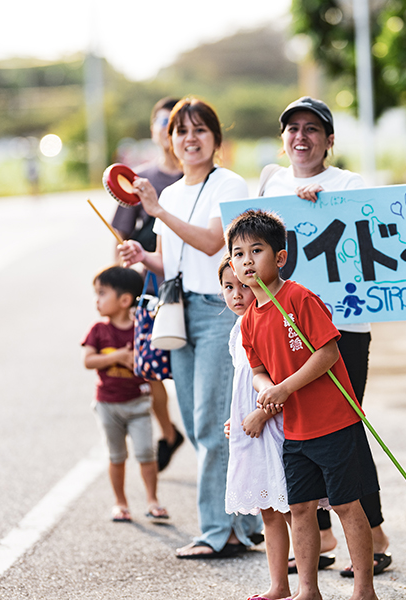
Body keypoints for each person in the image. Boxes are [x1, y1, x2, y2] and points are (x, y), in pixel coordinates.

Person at [119, 97, 262, 558]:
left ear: (216, 139)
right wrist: (143, 257)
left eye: (201, 130)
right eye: (181, 131)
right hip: (177, 310)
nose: (190, 138)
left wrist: (157, 212)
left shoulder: (230, 183)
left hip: (219, 310)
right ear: (170, 140)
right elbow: (170, 260)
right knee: (206, 421)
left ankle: (215, 530)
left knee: (210, 422)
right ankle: (241, 524)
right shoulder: (175, 193)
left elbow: (210, 244)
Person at [258, 96, 391, 577]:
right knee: (297, 430)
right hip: (284, 330)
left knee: (344, 430)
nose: (301, 137)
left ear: (329, 141)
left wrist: (327, 204)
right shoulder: (271, 182)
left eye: (312, 129)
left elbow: (368, 233)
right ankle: (324, 536)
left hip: (342, 330)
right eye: (292, 128)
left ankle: (373, 536)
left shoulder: (348, 184)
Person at [229, 209, 380, 600]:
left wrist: (283, 389)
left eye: (256, 251)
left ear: (279, 257)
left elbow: (327, 353)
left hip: (333, 422)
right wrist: (267, 388)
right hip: (293, 431)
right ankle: (307, 591)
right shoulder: (249, 321)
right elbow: (258, 368)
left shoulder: (299, 298)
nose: (246, 261)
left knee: (347, 505)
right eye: (238, 253)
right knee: (300, 509)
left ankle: (364, 590)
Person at [111, 97, 185, 473]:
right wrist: (121, 292)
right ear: (155, 130)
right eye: (163, 121)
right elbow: (119, 237)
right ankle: (169, 432)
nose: (170, 129)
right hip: (150, 291)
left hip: (195, 291)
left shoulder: (205, 176)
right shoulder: (139, 180)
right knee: (149, 368)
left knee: (189, 369)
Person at [220, 255, 293, 600]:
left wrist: (260, 415)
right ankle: (279, 585)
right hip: (250, 429)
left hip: (272, 425)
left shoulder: (265, 322)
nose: (236, 295)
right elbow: (243, 383)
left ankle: (306, 580)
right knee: (268, 508)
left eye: (241, 287)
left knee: (293, 506)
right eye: (227, 288)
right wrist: (238, 416)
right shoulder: (237, 330)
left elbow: (276, 380)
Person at [82, 266, 168, 523]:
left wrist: (140, 359)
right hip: (107, 404)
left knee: (146, 454)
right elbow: (88, 361)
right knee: (116, 456)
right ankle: (120, 502)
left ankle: (153, 500)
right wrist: (119, 357)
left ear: (124, 300)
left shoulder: (141, 328)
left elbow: (155, 355)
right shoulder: (98, 330)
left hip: (139, 403)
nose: (97, 300)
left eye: (102, 293)